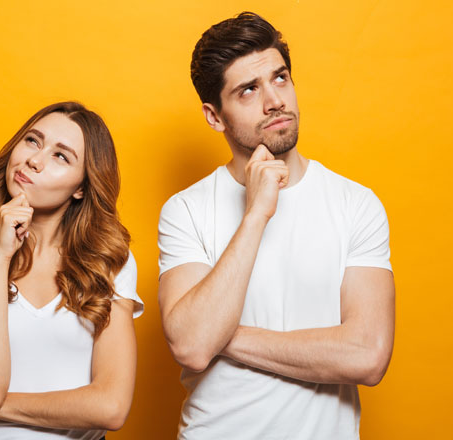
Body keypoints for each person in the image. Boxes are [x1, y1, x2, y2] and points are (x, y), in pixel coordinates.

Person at [157, 12, 395, 439]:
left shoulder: (356, 204)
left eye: (280, 78)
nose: (275, 101)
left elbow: (368, 356)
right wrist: (256, 214)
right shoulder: (186, 210)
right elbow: (192, 347)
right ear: (215, 117)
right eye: (249, 90)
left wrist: (222, 335)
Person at [0, 101, 143, 440]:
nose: (35, 159)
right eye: (33, 140)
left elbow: (111, 406)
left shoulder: (108, 261)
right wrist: (0, 259)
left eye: (61, 156)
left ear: (80, 187)